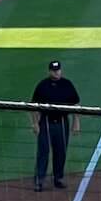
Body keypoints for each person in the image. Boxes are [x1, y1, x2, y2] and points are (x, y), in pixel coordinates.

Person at [30, 60, 81, 191]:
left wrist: (76, 122)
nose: (56, 72)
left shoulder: (67, 84)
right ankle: (39, 180)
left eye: (58, 70)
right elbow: (33, 106)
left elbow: (76, 104)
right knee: (43, 151)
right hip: (46, 122)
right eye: (53, 70)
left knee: (61, 151)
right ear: (49, 71)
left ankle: (58, 178)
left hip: (62, 121)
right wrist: (35, 123)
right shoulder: (43, 86)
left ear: (61, 70)